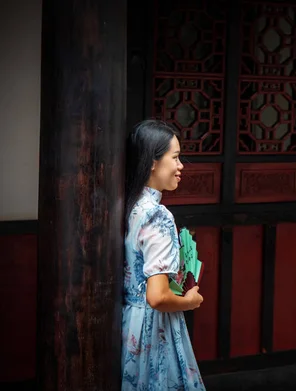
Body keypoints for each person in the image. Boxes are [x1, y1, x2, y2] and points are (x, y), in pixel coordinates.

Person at [122, 119, 206, 390]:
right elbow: (157, 297)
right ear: (153, 162)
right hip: (153, 326)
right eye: (176, 157)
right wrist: (190, 301)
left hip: (129, 322)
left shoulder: (131, 207)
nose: (181, 166)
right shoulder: (158, 215)